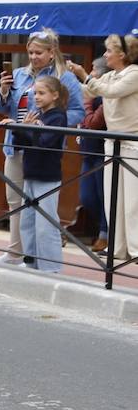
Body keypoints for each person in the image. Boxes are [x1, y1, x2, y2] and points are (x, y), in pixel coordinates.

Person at [0, 29, 84, 264]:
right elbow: (1, 108)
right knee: (15, 199)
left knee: (41, 207)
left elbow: (77, 111)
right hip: (16, 145)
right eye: (30, 52)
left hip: (44, 148)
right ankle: (16, 252)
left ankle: (43, 261)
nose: (33, 57)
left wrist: (49, 123)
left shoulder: (65, 77)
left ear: (51, 53)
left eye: (38, 53)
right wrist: (3, 91)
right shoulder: (20, 75)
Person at [69, 34, 138, 261]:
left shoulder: (134, 74)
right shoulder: (110, 75)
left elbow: (110, 92)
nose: (105, 55)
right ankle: (117, 247)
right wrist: (68, 78)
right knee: (112, 198)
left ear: (123, 54)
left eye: (109, 51)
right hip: (112, 142)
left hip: (131, 144)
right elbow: (90, 91)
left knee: (132, 201)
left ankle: (135, 250)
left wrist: (83, 75)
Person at [5, 75, 69, 273]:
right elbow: (23, 144)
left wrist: (29, 129)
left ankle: (51, 266)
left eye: (41, 93)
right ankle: (31, 261)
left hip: (47, 176)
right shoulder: (37, 115)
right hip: (31, 173)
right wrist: (18, 128)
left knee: (46, 223)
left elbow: (46, 142)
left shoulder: (57, 116)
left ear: (55, 95)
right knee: (28, 221)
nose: (36, 97)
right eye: (35, 93)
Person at [77, 55, 110, 251]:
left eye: (94, 70)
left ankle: (105, 234)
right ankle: (102, 229)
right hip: (87, 151)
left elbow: (93, 123)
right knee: (87, 196)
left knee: (103, 195)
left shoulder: (103, 96)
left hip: (101, 151)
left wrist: (87, 102)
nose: (90, 73)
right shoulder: (88, 93)